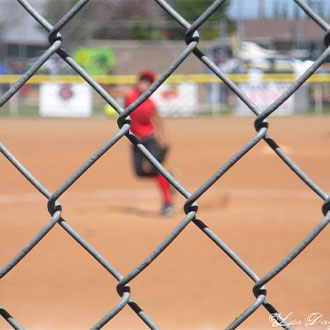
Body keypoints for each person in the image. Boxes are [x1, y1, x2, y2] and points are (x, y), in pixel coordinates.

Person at [111, 70, 175, 216]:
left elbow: (158, 121)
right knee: (139, 173)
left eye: (148, 83)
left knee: (155, 170)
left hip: (150, 140)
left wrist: (163, 139)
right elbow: (113, 93)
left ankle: (168, 204)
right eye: (142, 81)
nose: (144, 85)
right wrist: (103, 88)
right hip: (135, 140)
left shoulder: (151, 103)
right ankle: (169, 177)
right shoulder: (129, 94)